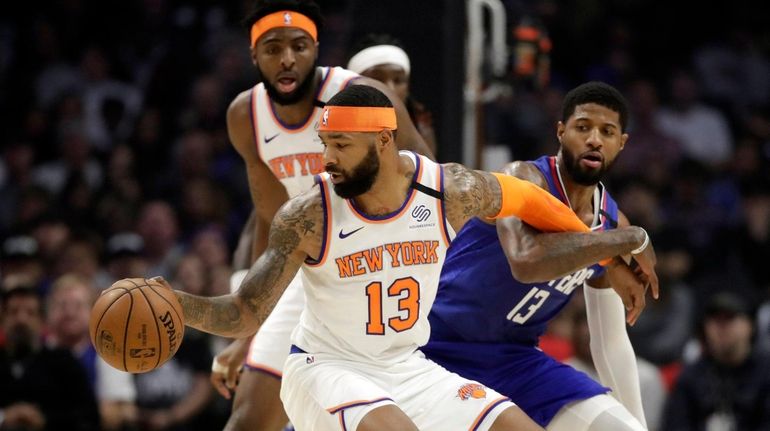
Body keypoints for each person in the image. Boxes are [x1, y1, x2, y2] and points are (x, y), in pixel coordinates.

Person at [154, 84, 650, 430]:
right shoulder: (308, 216)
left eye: (340, 146)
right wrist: (176, 303)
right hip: (328, 369)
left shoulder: (447, 189)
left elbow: (530, 202)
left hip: (410, 368)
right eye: (325, 144)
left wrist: (611, 251)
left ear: (383, 140)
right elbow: (243, 311)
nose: (326, 160)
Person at [208, 1, 434, 430]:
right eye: (273, 48)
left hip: (382, 261)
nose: (288, 58)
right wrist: (248, 333)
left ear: (316, 49)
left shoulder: (362, 95)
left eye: (299, 45)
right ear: (254, 55)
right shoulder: (245, 115)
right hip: (311, 266)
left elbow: (429, 176)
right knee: (249, 420)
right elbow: (272, 221)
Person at [421, 81, 658, 430]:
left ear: (620, 144)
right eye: (583, 128)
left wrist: (639, 424)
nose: (594, 139)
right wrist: (630, 239)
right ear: (561, 132)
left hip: (516, 361)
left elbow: (609, 341)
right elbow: (526, 260)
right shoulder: (523, 178)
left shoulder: (609, 221)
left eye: (607, 132)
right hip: (439, 350)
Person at [662, 291, 770, 430]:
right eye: (715, 320)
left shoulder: (765, 373)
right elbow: (675, 424)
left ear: (750, 325)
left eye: (729, 319)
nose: (721, 328)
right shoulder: (691, 376)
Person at [46, 274, 139, 431]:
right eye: (62, 305)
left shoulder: (108, 355)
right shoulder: (39, 354)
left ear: (93, 312)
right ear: (49, 313)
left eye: (78, 306)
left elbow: (123, 412)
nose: (70, 313)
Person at [0, 286, 100, 431]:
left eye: (30, 313)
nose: (21, 320)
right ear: (2, 319)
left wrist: (44, 420)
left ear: (42, 321)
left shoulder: (65, 362)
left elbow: (89, 416)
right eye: (13, 312)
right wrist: (4, 417)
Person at [346, 33, 437, 154]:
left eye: (398, 80)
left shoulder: (422, 127)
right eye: (377, 80)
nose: (390, 89)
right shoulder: (329, 124)